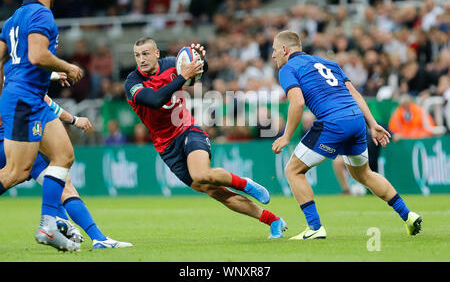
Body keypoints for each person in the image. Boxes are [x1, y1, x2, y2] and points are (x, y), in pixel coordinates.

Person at [124, 37, 286, 239]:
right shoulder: (133, 82)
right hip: (165, 147)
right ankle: (274, 221)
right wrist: (183, 76)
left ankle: (245, 184)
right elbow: (155, 100)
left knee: (201, 174)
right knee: (217, 192)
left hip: (186, 128)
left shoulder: (172, 63)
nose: (141, 59)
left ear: (157, 54)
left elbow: (201, 71)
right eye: (137, 55)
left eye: (146, 54)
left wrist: (200, 59)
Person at [271, 30, 422, 240]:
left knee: (293, 171)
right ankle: (408, 215)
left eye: (275, 50)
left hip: (333, 122)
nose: (273, 55)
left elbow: (297, 102)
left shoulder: (288, 68)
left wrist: (286, 136)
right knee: (364, 174)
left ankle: (314, 228)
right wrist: (373, 124)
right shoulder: (330, 63)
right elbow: (354, 94)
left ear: (285, 50)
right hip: (356, 120)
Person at [0, 0, 83, 252]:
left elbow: (4, 57)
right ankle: (48, 224)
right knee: (16, 172)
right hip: (25, 99)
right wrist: (68, 67)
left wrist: (7, 87)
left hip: (30, 97)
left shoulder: (13, 19)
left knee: (63, 155)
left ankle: (48, 224)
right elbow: (37, 55)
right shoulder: (42, 15)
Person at [0, 90, 133, 249]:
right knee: (63, 181)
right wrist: (75, 120)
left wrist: (55, 74)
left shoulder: (11, 73)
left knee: (57, 182)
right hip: (13, 140)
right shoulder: (20, 76)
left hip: (8, 141)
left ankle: (65, 221)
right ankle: (92, 236)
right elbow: (45, 99)